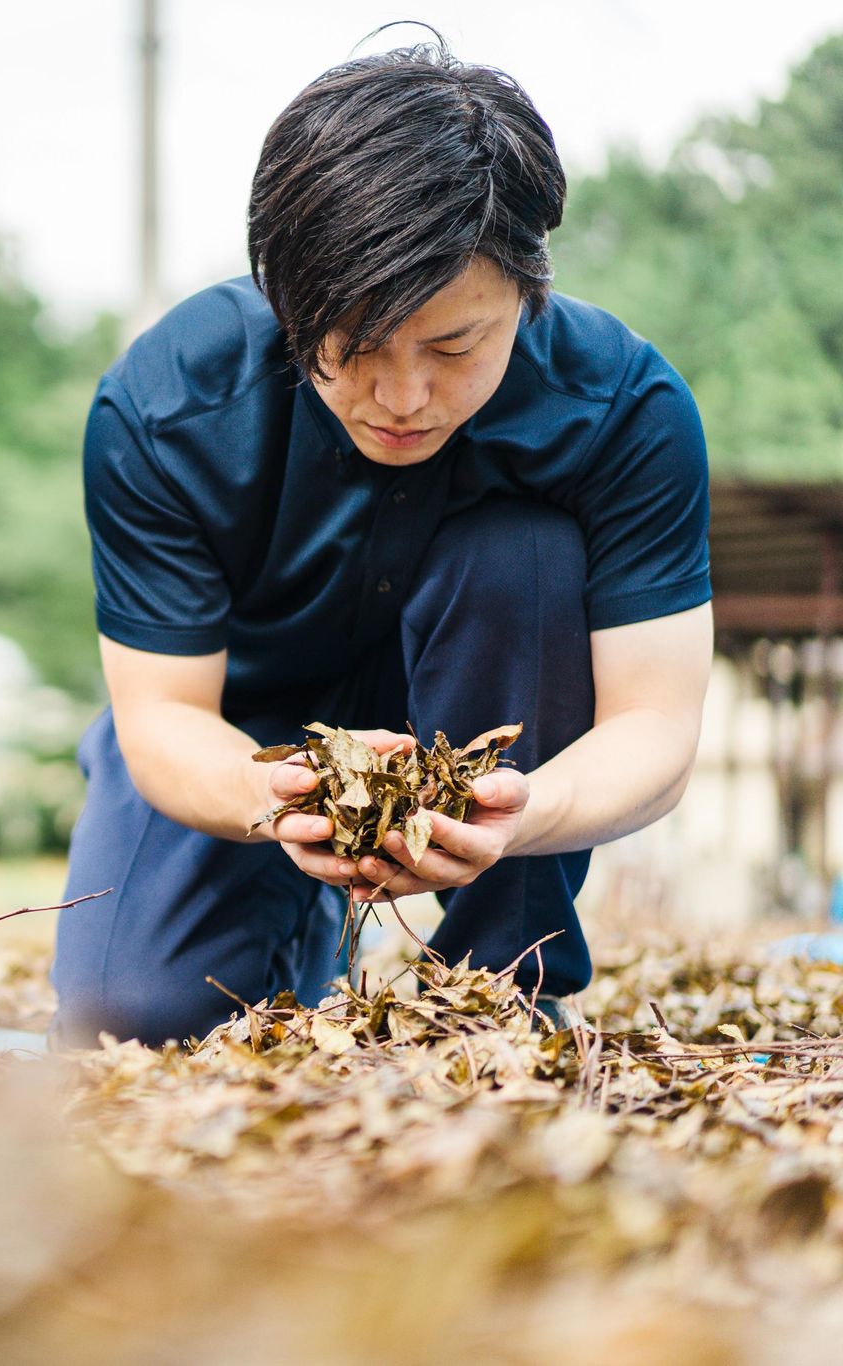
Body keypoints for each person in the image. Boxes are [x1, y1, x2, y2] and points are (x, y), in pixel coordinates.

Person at [49, 37, 713, 1049]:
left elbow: (655, 732)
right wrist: (266, 798)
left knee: (523, 556)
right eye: (353, 346)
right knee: (134, 1020)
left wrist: (515, 814)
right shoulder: (165, 407)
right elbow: (161, 717)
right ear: (284, 296)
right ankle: (295, 925)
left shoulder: (623, 408)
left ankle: (505, 979)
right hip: (245, 726)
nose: (402, 397)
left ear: (529, 290)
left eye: (454, 347)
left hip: (489, 742)